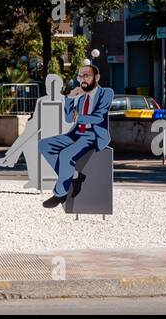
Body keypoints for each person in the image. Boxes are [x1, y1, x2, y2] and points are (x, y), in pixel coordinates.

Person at [37, 59, 112, 208]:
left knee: (66, 154)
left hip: (93, 135)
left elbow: (99, 117)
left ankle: (60, 194)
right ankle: (74, 176)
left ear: (96, 78)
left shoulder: (106, 93)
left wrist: (79, 117)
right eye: (80, 76)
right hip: (76, 133)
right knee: (44, 144)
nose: (82, 79)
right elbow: (68, 118)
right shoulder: (80, 96)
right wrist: (70, 98)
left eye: (86, 76)